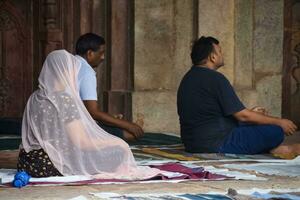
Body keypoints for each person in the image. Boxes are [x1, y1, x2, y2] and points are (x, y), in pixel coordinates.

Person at [18, 50, 160, 178]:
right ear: (65, 72)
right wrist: (118, 143)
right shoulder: (64, 100)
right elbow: (82, 142)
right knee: (118, 151)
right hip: (50, 165)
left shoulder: (35, 97)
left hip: (27, 163)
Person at [177, 36, 299, 155]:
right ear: (212, 57)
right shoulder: (215, 78)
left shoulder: (188, 78)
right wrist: (279, 122)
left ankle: (267, 147)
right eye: (220, 51)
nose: (222, 55)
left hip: (191, 143)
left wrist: (253, 115)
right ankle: (272, 148)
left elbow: (212, 115)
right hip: (215, 142)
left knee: (257, 123)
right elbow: (243, 116)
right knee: (275, 131)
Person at [75, 33, 143, 142]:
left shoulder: (73, 63)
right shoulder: (86, 71)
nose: (103, 57)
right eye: (101, 53)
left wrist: (110, 119)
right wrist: (128, 125)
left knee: (113, 125)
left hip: (67, 121)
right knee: (131, 134)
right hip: (76, 127)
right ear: (90, 53)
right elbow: (93, 112)